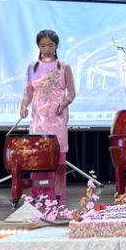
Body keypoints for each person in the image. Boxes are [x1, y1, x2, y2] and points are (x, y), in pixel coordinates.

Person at [19, 29, 76, 202]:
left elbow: (71, 94)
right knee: (38, 160)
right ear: (38, 46)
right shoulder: (32, 67)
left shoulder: (64, 66)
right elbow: (27, 93)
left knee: (57, 161)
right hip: (38, 121)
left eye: (50, 45)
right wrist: (23, 107)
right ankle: (38, 196)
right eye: (43, 45)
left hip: (57, 120)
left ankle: (57, 197)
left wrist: (62, 104)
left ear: (56, 45)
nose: (46, 48)